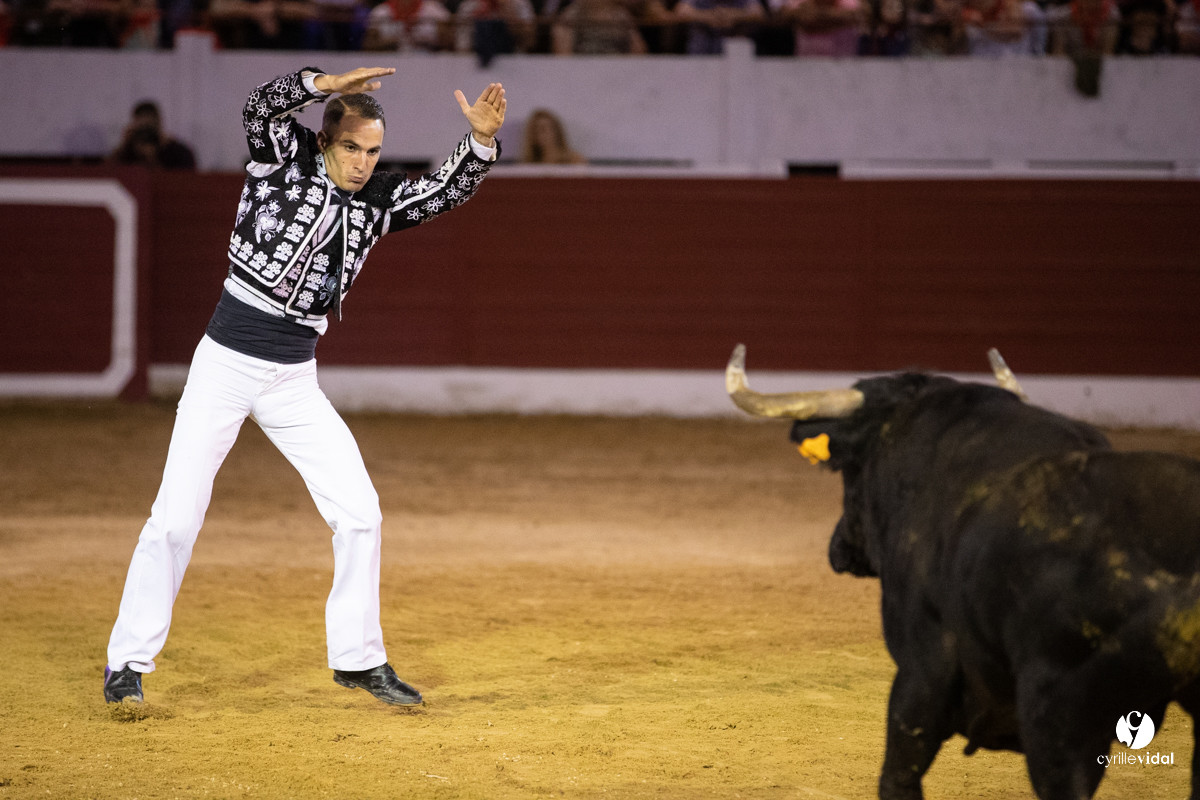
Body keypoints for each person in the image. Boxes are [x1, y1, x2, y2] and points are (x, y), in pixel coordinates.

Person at [101, 66, 507, 707]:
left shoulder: (376, 204)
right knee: (175, 520)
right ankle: (127, 662)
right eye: (352, 148)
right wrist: (321, 82)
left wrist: (479, 145)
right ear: (324, 142)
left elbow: (440, 193)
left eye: (373, 152)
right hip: (225, 364)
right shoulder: (280, 160)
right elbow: (259, 106)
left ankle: (358, 660)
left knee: (360, 513)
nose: (363, 164)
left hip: (292, 378)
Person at [110, 101, 197, 170]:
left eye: (149, 126)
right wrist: (124, 144)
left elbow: (184, 180)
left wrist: (153, 157)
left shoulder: (178, 152)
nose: (146, 132)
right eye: (142, 126)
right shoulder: (128, 151)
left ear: (159, 123)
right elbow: (108, 173)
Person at [520, 108, 585, 164]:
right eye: (534, 130)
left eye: (543, 129)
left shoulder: (574, 160)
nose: (539, 134)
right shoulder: (528, 163)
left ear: (556, 131)